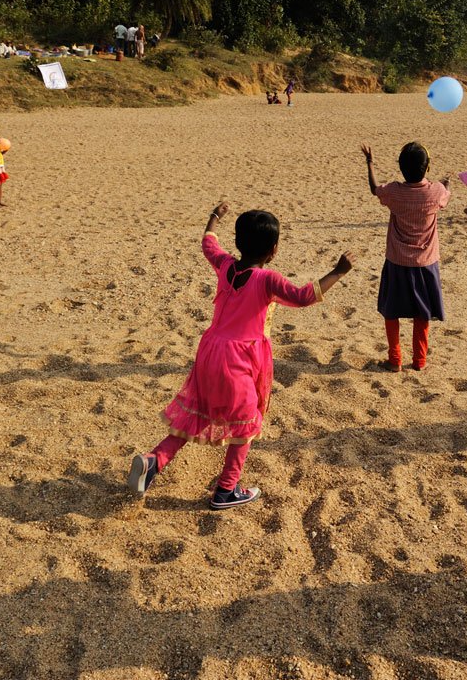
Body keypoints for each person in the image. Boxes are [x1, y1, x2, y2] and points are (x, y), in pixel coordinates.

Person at [128, 205, 354, 509]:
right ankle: (226, 490)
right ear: (273, 250)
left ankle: (153, 461)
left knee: (195, 413)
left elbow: (209, 245)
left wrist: (214, 218)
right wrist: (338, 272)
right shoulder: (267, 280)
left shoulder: (224, 265)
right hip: (240, 360)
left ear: (238, 242)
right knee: (246, 423)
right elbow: (303, 297)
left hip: (209, 351)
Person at [361, 142, 449, 371]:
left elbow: (374, 188)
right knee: (423, 313)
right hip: (426, 263)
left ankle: (395, 359)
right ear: (427, 167)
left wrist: (370, 162)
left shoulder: (394, 192)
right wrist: (445, 185)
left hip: (397, 261)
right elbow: (444, 196)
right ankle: (419, 360)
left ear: (401, 168)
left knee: (391, 311)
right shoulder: (436, 190)